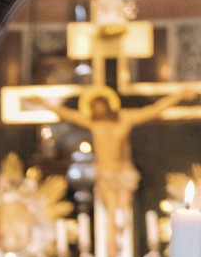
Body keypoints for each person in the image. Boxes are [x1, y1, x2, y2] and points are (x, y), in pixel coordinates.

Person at [35, 84, 193, 228]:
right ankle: (112, 253)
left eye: (101, 106)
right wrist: (44, 104)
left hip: (123, 171)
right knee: (110, 212)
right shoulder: (92, 122)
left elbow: (154, 110)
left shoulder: (125, 119)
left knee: (124, 212)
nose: (99, 110)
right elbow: (66, 114)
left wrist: (179, 96)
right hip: (105, 172)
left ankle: (123, 247)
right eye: (95, 107)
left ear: (109, 105)